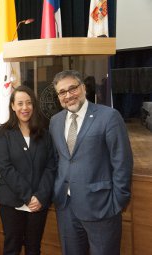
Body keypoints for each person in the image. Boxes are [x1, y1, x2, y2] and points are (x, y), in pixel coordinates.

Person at [49, 70, 133, 255]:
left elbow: (122, 162)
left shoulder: (109, 116)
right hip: (66, 207)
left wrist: (118, 202)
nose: (68, 95)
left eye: (72, 88)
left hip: (101, 207)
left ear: (83, 88)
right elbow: (57, 160)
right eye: (62, 92)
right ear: (58, 96)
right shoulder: (55, 122)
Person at [0, 86, 56, 255]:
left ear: (34, 106)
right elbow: (5, 167)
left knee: (34, 247)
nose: (25, 108)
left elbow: (51, 166)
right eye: (20, 103)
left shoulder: (44, 132)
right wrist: (28, 196)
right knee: (12, 247)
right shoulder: (3, 133)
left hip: (39, 202)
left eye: (29, 103)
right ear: (13, 106)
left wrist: (40, 196)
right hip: (12, 200)